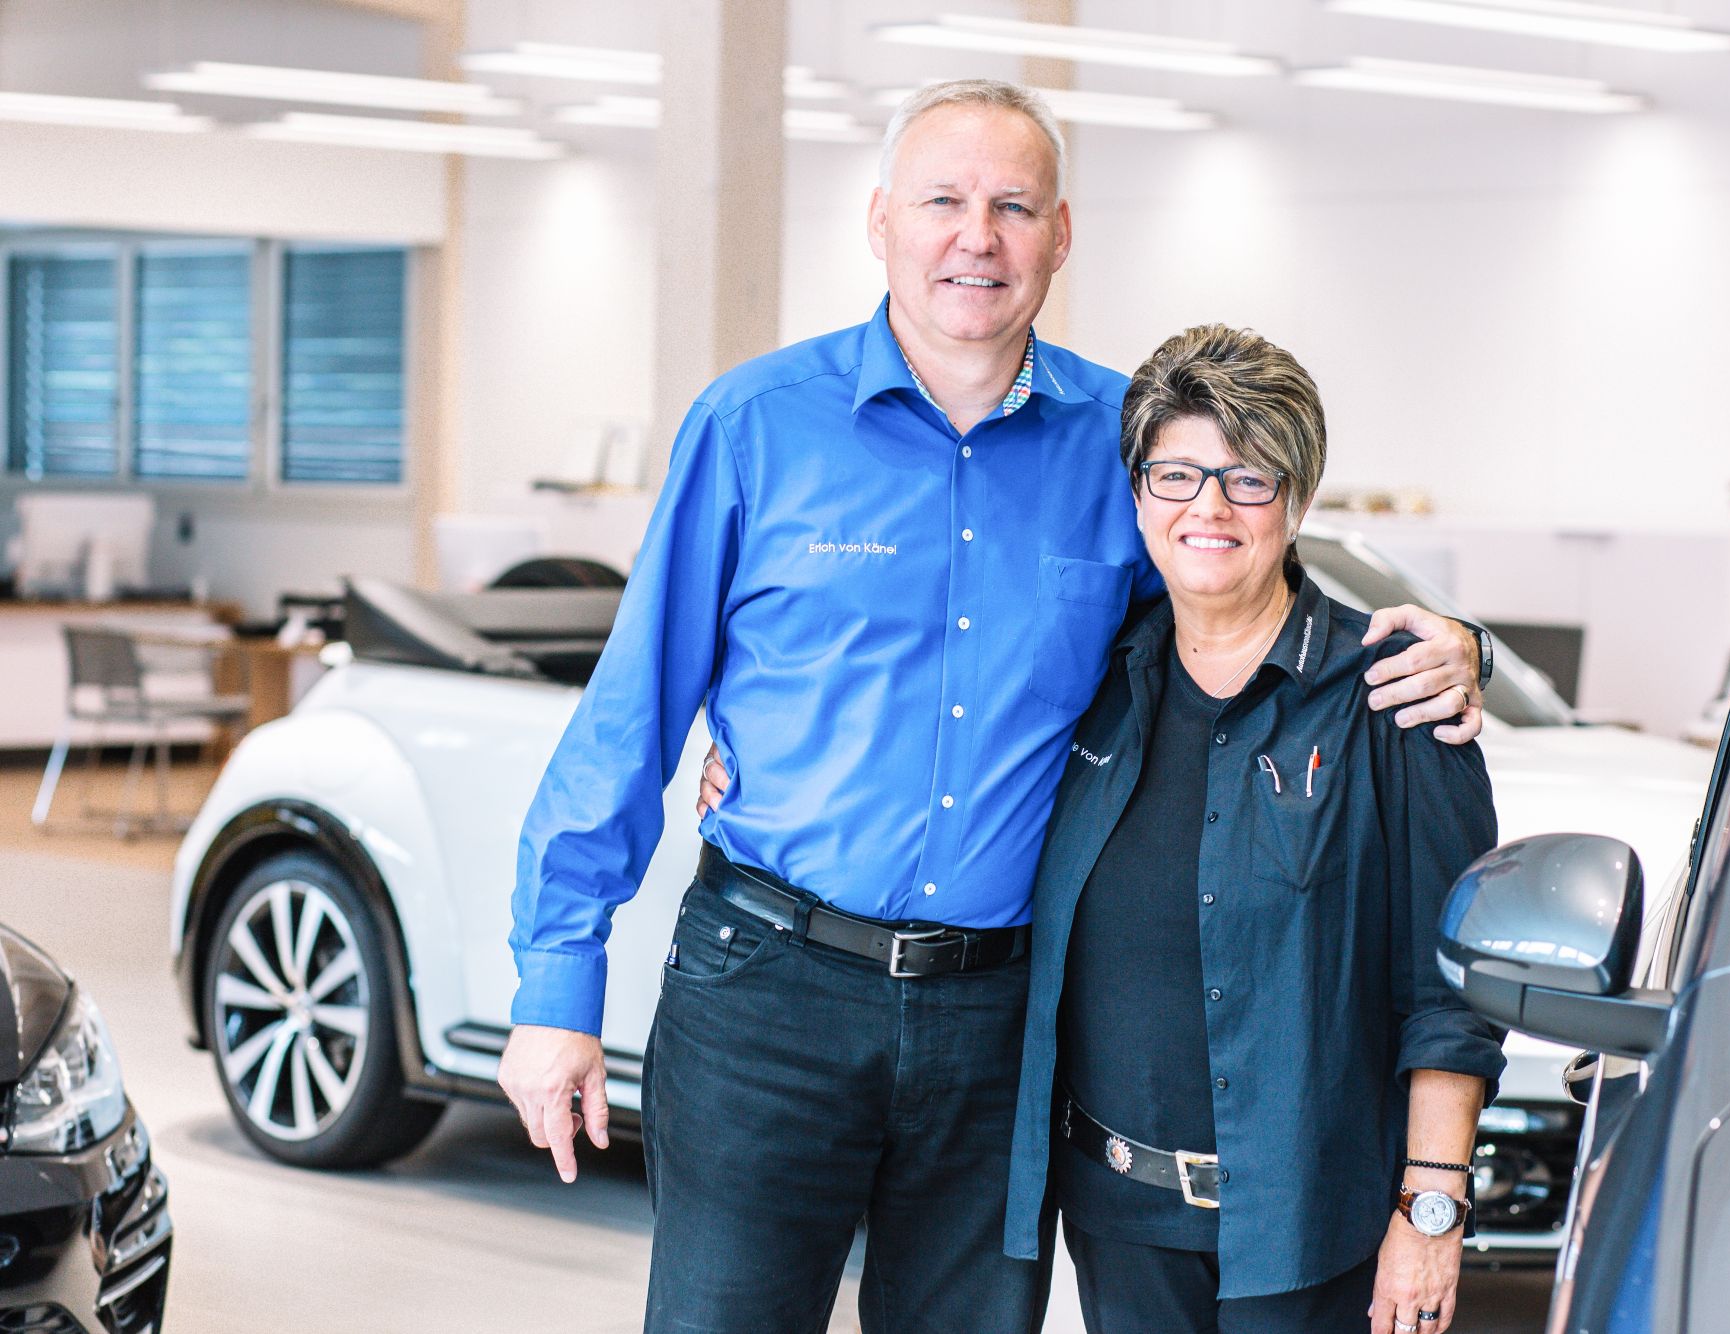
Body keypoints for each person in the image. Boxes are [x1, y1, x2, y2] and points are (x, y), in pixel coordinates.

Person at [498, 79, 1485, 1334]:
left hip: (998, 1023)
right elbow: (630, 712)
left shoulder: (1122, 444)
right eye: (942, 202)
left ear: (1059, 236)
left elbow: (1237, 596)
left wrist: (1453, 645)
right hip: (768, 991)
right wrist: (557, 982)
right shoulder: (755, 426)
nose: (977, 237)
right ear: (879, 222)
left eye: (1013, 206)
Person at [1001, 325, 1504, 1334]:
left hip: (1313, 1231)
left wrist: (1430, 1210)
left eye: (1248, 478)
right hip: (1120, 1224)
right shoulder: (1093, 681)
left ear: (1297, 499)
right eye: (1176, 475)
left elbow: (1449, 993)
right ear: (1138, 494)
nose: (1209, 508)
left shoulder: (1390, 699)